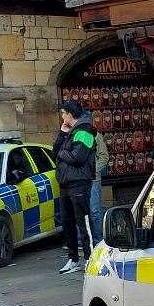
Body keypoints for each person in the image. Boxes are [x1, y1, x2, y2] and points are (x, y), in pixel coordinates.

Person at [54, 100, 98, 274]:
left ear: (69, 114)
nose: (62, 117)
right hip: (66, 183)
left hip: (79, 182)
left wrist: (62, 153)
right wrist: (62, 133)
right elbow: (54, 152)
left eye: (63, 114)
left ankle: (90, 258)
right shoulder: (70, 132)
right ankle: (73, 259)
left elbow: (77, 157)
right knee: (67, 222)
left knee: (83, 221)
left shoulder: (85, 130)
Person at [87, 127, 111, 245]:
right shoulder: (72, 133)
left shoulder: (95, 135)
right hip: (78, 179)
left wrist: (93, 170)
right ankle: (86, 240)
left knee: (95, 210)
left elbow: (104, 156)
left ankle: (99, 240)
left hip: (93, 179)